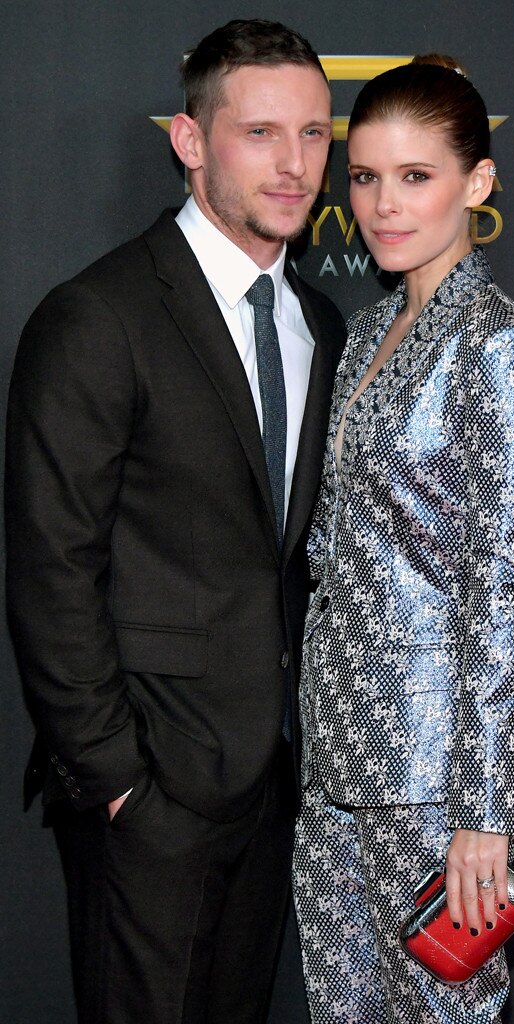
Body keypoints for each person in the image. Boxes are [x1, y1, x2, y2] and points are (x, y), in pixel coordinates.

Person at [5, 18, 345, 1024]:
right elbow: (49, 564)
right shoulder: (98, 316)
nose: (294, 165)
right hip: (146, 796)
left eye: (316, 134)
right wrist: (117, 783)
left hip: (272, 785)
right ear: (191, 141)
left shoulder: (317, 322)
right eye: (261, 133)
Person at [293, 54, 514, 1023]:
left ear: (476, 183)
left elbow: (505, 591)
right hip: (331, 757)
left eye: (416, 176)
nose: (382, 204)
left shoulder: (502, 350)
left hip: (430, 775)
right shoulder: (369, 331)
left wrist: (482, 812)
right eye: (364, 176)